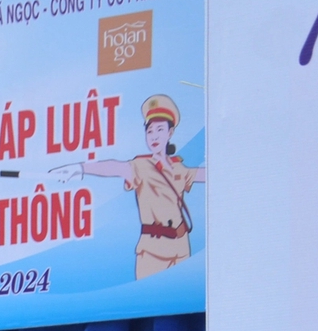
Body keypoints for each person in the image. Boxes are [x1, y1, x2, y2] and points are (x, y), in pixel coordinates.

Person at [52, 93, 206, 279]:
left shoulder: (178, 167)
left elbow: (208, 175)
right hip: (153, 252)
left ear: (170, 133)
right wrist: (80, 168)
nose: (154, 136)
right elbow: (114, 167)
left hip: (181, 248)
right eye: (150, 131)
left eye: (159, 129)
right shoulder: (141, 166)